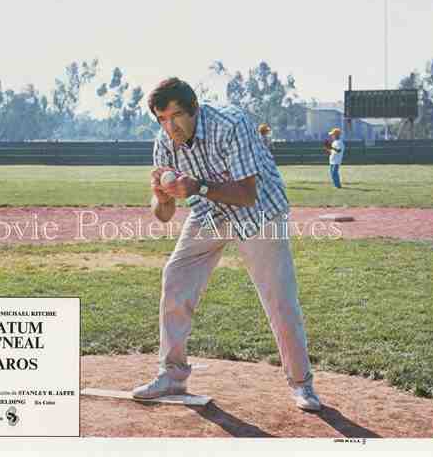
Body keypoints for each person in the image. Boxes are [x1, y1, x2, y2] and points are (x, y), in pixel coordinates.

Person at [132, 78, 321, 411]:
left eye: (176, 116)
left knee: (279, 299)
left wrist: (198, 187)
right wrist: (160, 196)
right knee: (175, 278)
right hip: (209, 215)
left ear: (194, 109)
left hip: (259, 211)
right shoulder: (164, 142)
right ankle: (172, 374)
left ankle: (302, 385)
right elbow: (163, 215)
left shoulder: (230, 123)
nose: (170, 126)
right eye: (162, 119)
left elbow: (247, 194)